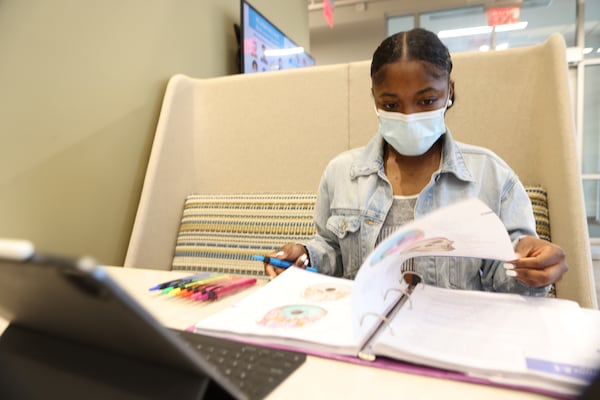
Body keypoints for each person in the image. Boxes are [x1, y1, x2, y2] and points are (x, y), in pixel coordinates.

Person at [264, 28, 567, 295]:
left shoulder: (491, 176)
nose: (408, 116)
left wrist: (532, 267)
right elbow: (331, 249)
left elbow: (510, 270)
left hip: (452, 341)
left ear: (449, 91)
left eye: (426, 101)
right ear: (374, 99)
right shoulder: (341, 173)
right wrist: (305, 256)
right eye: (391, 104)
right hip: (363, 334)